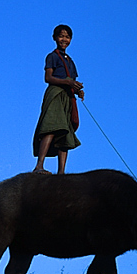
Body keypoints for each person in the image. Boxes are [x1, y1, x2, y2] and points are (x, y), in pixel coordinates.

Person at [33, 25, 84, 174]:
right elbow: (48, 78)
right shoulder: (52, 56)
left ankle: (61, 172)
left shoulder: (71, 61)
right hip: (55, 94)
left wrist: (77, 91)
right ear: (55, 38)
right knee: (52, 127)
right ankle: (39, 166)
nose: (64, 39)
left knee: (65, 132)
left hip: (67, 98)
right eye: (61, 36)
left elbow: (72, 81)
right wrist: (67, 82)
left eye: (67, 37)